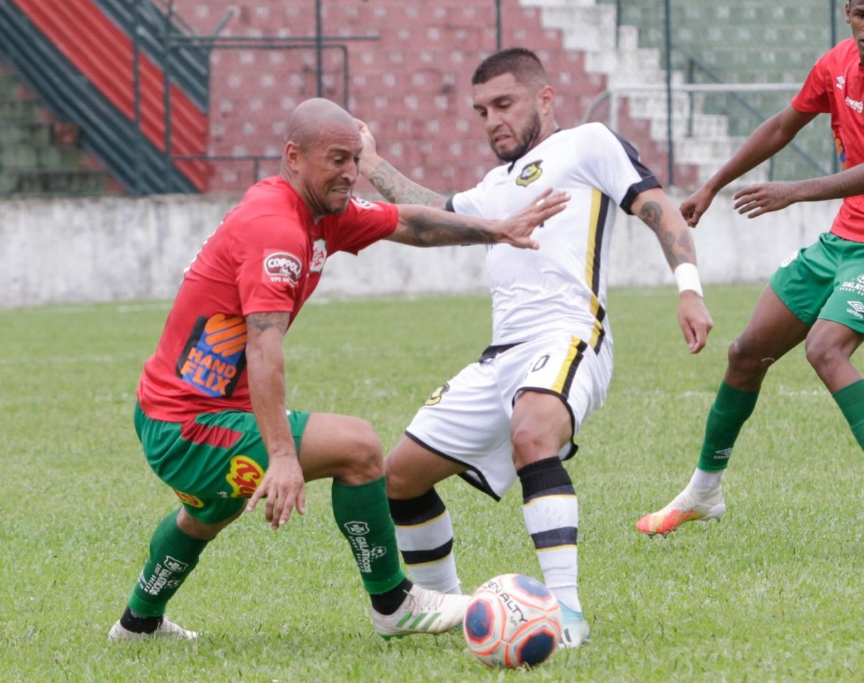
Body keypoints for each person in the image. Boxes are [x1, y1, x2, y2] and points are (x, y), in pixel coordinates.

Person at [107, 97, 568, 641]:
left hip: (176, 411)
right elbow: (263, 347)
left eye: (355, 158)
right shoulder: (275, 228)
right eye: (337, 160)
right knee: (359, 448)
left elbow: (410, 224)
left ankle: (137, 624)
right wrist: (281, 456)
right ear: (293, 157)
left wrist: (498, 229)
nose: (351, 173)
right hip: (188, 423)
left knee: (208, 514)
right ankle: (394, 603)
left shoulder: (318, 212)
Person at [357, 48, 714, 647]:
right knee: (399, 478)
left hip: (571, 335)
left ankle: (567, 617)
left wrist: (689, 289)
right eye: (481, 111)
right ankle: (452, 606)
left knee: (532, 434)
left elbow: (659, 210)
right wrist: (370, 164)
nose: (492, 119)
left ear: (545, 99)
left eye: (504, 103)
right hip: (500, 357)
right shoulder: (494, 188)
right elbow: (426, 217)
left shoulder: (587, 143)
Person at [635, 0, 864, 537]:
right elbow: (783, 126)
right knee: (745, 354)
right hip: (841, 241)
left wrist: (795, 191)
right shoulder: (835, 66)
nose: (863, 24)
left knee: (825, 348)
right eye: (858, 12)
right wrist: (711, 185)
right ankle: (704, 492)